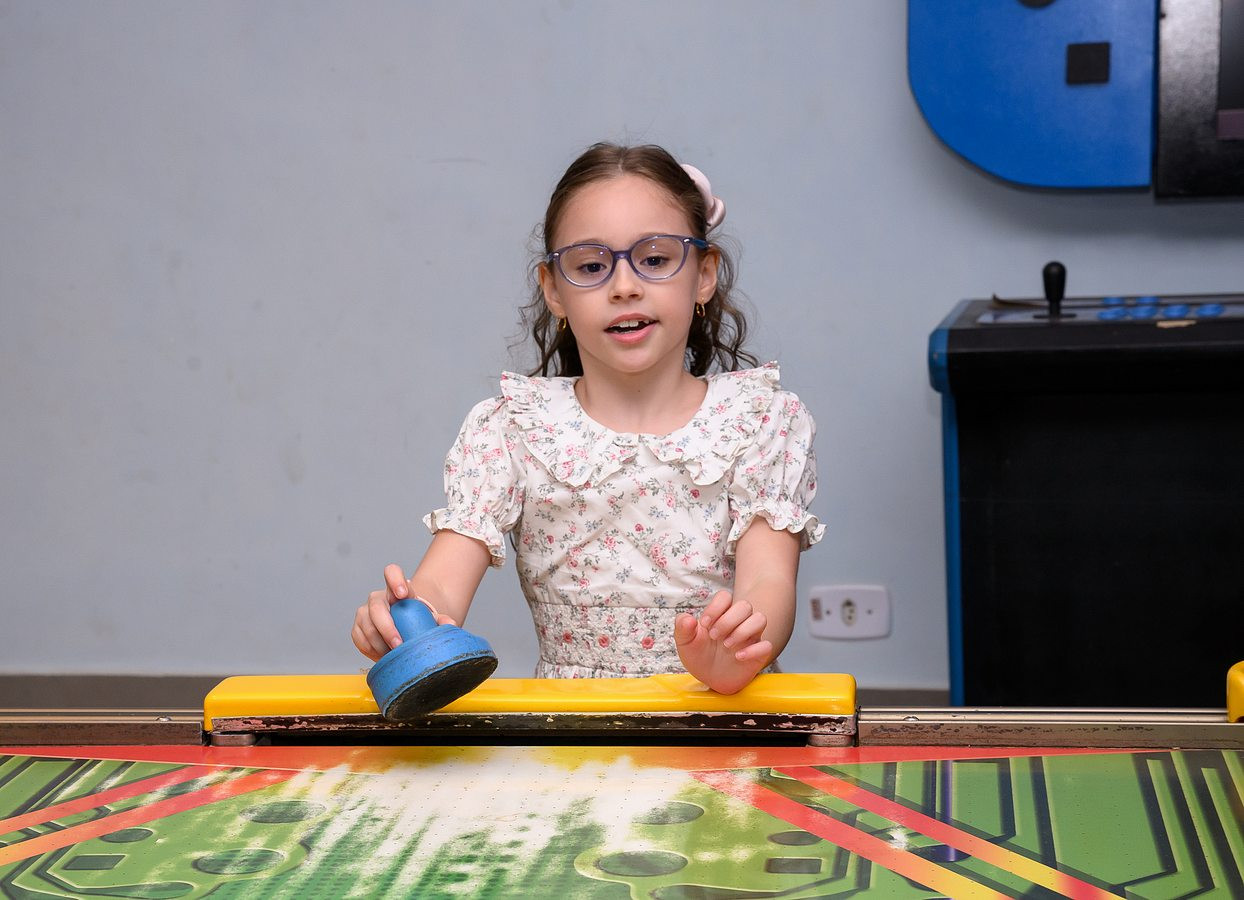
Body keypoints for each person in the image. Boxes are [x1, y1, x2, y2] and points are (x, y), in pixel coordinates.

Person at [351, 142, 823, 694]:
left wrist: (739, 646)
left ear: (703, 274)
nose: (624, 286)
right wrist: (407, 620)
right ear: (554, 290)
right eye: (592, 266)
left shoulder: (760, 420)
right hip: (573, 730)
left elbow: (768, 580)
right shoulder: (512, 429)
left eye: (655, 259)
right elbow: (441, 586)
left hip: (724, 718)